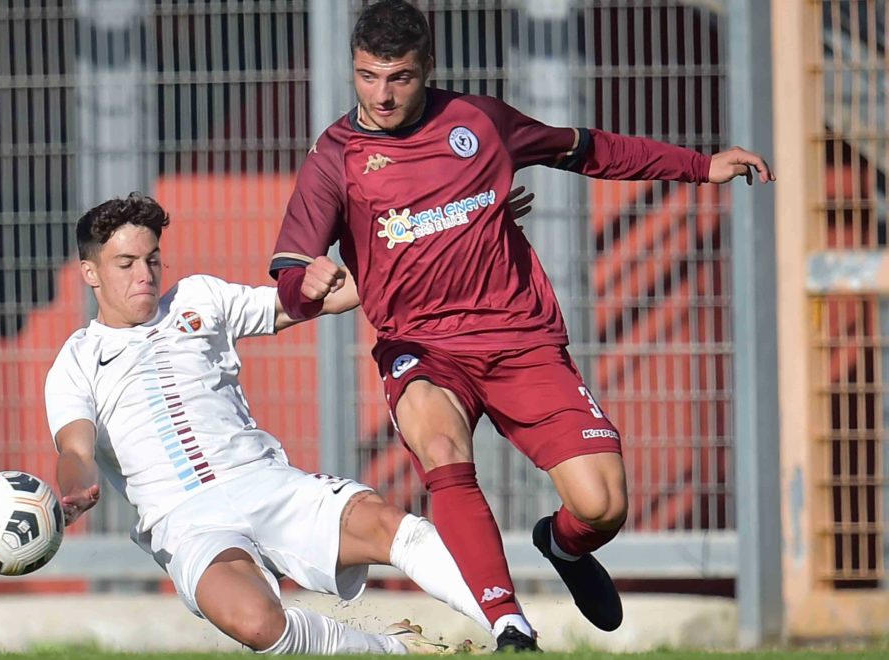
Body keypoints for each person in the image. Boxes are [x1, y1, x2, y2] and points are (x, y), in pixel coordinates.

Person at [269, 0, 776, 652]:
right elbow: (291, 268)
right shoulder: (336, 155)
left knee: (602, 505)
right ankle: (509, 624)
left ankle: (562, 546)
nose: (382, 95)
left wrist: (699, 166)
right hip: (421, 347)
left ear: (428, 67)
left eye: (399, 78)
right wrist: (305, 285)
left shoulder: (480, 122)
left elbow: (585, 148)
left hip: (520, 339)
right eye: (368, 77)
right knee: (441, 447)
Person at [46, 192, 532, 655]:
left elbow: (318, 300)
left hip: (263, 481)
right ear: (90, 272)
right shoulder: (77, 360)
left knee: (395, 526)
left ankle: (514, 633)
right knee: (257, 623)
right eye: (126, 264)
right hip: (186, 522)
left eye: (152, 260)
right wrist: (75, 489)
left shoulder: (198, 298)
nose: (144, 275)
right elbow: (76, 450)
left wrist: (455, 239)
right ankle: (399, 649)